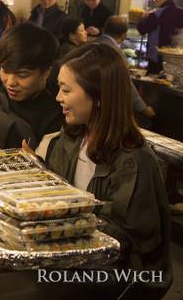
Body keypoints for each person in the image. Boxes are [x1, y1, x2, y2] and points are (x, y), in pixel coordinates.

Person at [41, 43, 172, 298]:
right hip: (71, 261)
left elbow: (133, 242)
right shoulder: (70, 137)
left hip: (118, 279)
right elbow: (58, 190)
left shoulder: (134, 162)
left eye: (66, 90)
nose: (58, 97)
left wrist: (69, 219)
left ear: (99, 96)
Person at [0, 22, 63, 149]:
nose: (10, 82)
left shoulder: (56, 114)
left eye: (22, 75)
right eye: (5, 70)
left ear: (46, 73)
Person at [96, 16, 156, 119]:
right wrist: (143, 108)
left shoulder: (92, 43)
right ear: (124, 35)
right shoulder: (115, 51)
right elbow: (125, 83)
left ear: (104, 30)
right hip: (107, 105)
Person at [138, 0, 183, 74]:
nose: (155, 0)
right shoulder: (181, 12)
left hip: (158, 58)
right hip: (177, 59)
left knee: (154, 84)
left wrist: (143, 18)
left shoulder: (157, 14)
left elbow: (142, 29)